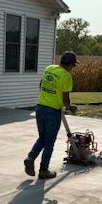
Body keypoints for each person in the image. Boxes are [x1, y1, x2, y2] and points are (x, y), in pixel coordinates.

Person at [24, 51, 79, 180]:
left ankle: (31, 157)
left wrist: (48, 96)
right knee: (49, 142)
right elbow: (66, 99)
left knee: (42, 137)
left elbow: (41, 85)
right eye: (74, 65)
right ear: (70, 64)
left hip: (40, 107)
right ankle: (43, 170)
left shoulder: (49, 68)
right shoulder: (66, 76)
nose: (73, 68)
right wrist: (69, 107)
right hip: (52, 112)